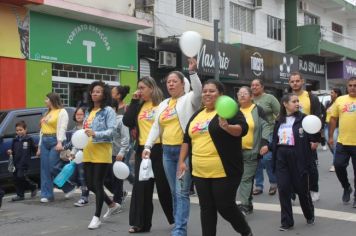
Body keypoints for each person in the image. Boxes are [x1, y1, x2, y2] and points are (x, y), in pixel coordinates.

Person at [178, 80, 253, 236]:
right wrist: (181, 162)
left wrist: (227, 127)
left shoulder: (228, 111)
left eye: (212, 91)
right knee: (206, 208)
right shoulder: (197, 114)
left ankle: (246, 232)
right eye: (205, 91)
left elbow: (242, 129)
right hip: (199, 171)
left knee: (225, 206)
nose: (207, 94)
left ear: (220, 95)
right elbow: (187, 139)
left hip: (224, 171)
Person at [142, 58, 202, 236]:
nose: (171, 84)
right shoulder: (163, 104)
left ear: (183, 84)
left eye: (174, 81)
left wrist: (193, 73)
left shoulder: (189, 99)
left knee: (182, 192)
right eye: (168, 81)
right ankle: (178, 222)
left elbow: (198, 92)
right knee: (175, 192)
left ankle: (180, 229)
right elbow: (156, 127)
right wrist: (148, 146)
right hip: (167, 152)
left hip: (184, 153)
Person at [123, 76, 174, 233]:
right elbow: (127, 121)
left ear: (151, 88)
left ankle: (175, 219)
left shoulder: (163, 104)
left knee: (164, 187)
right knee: (141, 188)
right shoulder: (140, 105)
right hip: (142, 150)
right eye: (138, 88)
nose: (139, 91)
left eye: (142, 88)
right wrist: (133, 101)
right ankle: (140, 224)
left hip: (160, 149)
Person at [266, 93, 315, 231]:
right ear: (285, 104)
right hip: (281, 156)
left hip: (298, 156)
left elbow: (314, 134)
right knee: (283, 189)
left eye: (297, 101)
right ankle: (287, 222)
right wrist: (268, 147)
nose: (297, 103)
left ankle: (309, 214)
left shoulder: (304, 119)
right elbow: (276, 140)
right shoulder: (279, 120)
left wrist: (314, 141)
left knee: (301, 190)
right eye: (294, 101)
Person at [82, 81, 119, 229]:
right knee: (90, 185)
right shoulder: (88, 111)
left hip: (102, 151)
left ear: (104, 95)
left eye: (98, 91)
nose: (94, 93)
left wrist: (96, 133)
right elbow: (82, 133)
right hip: (87, 150)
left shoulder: (108, 110)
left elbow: (112, 131)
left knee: (97, 184)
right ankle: (111, 204)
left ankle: (96, 217)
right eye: (93, 91)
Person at [288, 72, 322, 202]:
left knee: (310, 166)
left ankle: (314, 189)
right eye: (292, 81)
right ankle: (292, 192)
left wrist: (316, 139)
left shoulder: (311, 97)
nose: (295, 83)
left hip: (308, 137)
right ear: (289, 83)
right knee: (291, 166)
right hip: (291, 136)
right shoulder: (286, 97)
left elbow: (317, 118)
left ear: (302, 82)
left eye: (297, 81)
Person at [237, 86, 269, 215]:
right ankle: (248, 203)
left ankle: (244, 205)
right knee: (244, 178)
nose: (242, 96)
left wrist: (264, 143)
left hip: (252, 151)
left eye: (245, 93)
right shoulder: (234, 111)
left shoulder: (257, 110)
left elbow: (266, 126)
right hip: (235, 152)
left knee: (245, 178)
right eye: (240, 94)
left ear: (251, 96)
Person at [328, 77, 356, 207]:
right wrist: (330, 136)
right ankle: (346, 187)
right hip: (342, 142)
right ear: (347, 86)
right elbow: (333, 119)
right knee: (338, 166)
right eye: (350, 85)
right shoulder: (340, 100)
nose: (352, 87)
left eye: (355, 85)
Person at [38, 92, 69, 203]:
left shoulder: (62, 112)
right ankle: (47, 194)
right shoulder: (46, 112)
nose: (45, 101)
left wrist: (60, 142)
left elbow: (62, 127)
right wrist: (39, 146)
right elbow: (42, 130)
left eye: (46, 99)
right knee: (44, 169)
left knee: (52, 167)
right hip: (45, 141)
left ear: (52, 100)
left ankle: (68, 186)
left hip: (55, 141)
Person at [250, 79, 280, 196]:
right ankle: (259, 185)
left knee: (267, 158)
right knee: (256, 160)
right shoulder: (249, 99)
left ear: (262, 87)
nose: (254, 87)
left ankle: (273, 183)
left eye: (257, 85)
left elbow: (279, 113)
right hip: (253, 133)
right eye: (252, 85)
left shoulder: (269, 98)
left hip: (269, 132)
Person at [103, 100, 130, 212]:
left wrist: (122, 152)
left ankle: (117, 202)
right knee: (104, 179)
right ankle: (120, 194)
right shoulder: (103, 121)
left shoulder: (121, 120)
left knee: (117, 179)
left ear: (114, 109)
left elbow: (125, 137)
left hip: (117, 154)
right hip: (105, 153)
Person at [6, 120, 38, 201]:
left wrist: (38, 150)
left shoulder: (29, 139)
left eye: (20, 130)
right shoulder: (15, 139)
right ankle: (20, 195)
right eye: (17, 130)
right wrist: (10, 152)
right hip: (16, 162)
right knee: (16, 178)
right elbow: (12, 150)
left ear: (25, 130)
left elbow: (34, 149)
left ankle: (33, 186)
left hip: (24, 162)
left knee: (21, 176)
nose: (19, 132)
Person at [112, 85, 135, 185]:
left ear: (118, 95)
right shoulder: (109, 107)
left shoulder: (126, 108)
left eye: (112, 93)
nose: (110, 95)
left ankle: (134, 183)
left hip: (125, 140)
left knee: (123, 165)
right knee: (118, 166)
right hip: (114, 141)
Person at [69, 107, 90, 207]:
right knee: (80, 176)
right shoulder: (74, 129)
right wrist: (73, 153)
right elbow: (75, 144)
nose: (79, 116)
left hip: (89, 154)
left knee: (84, 177)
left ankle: (84, 197)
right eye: (77, 114)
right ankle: (84, 196)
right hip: (79, 155)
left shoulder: (88, 127)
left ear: (85, 115)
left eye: (81, 114)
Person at [324, 88, 342, 172]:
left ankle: (335, 164)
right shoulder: (329, 103)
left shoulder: (340, 103)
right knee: (330, 145)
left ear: (336, 94)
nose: (330, 94)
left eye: (332, 93)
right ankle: (338, 157)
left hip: (335, 127)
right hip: (326, 126)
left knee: (334, 145)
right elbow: (325, 114)